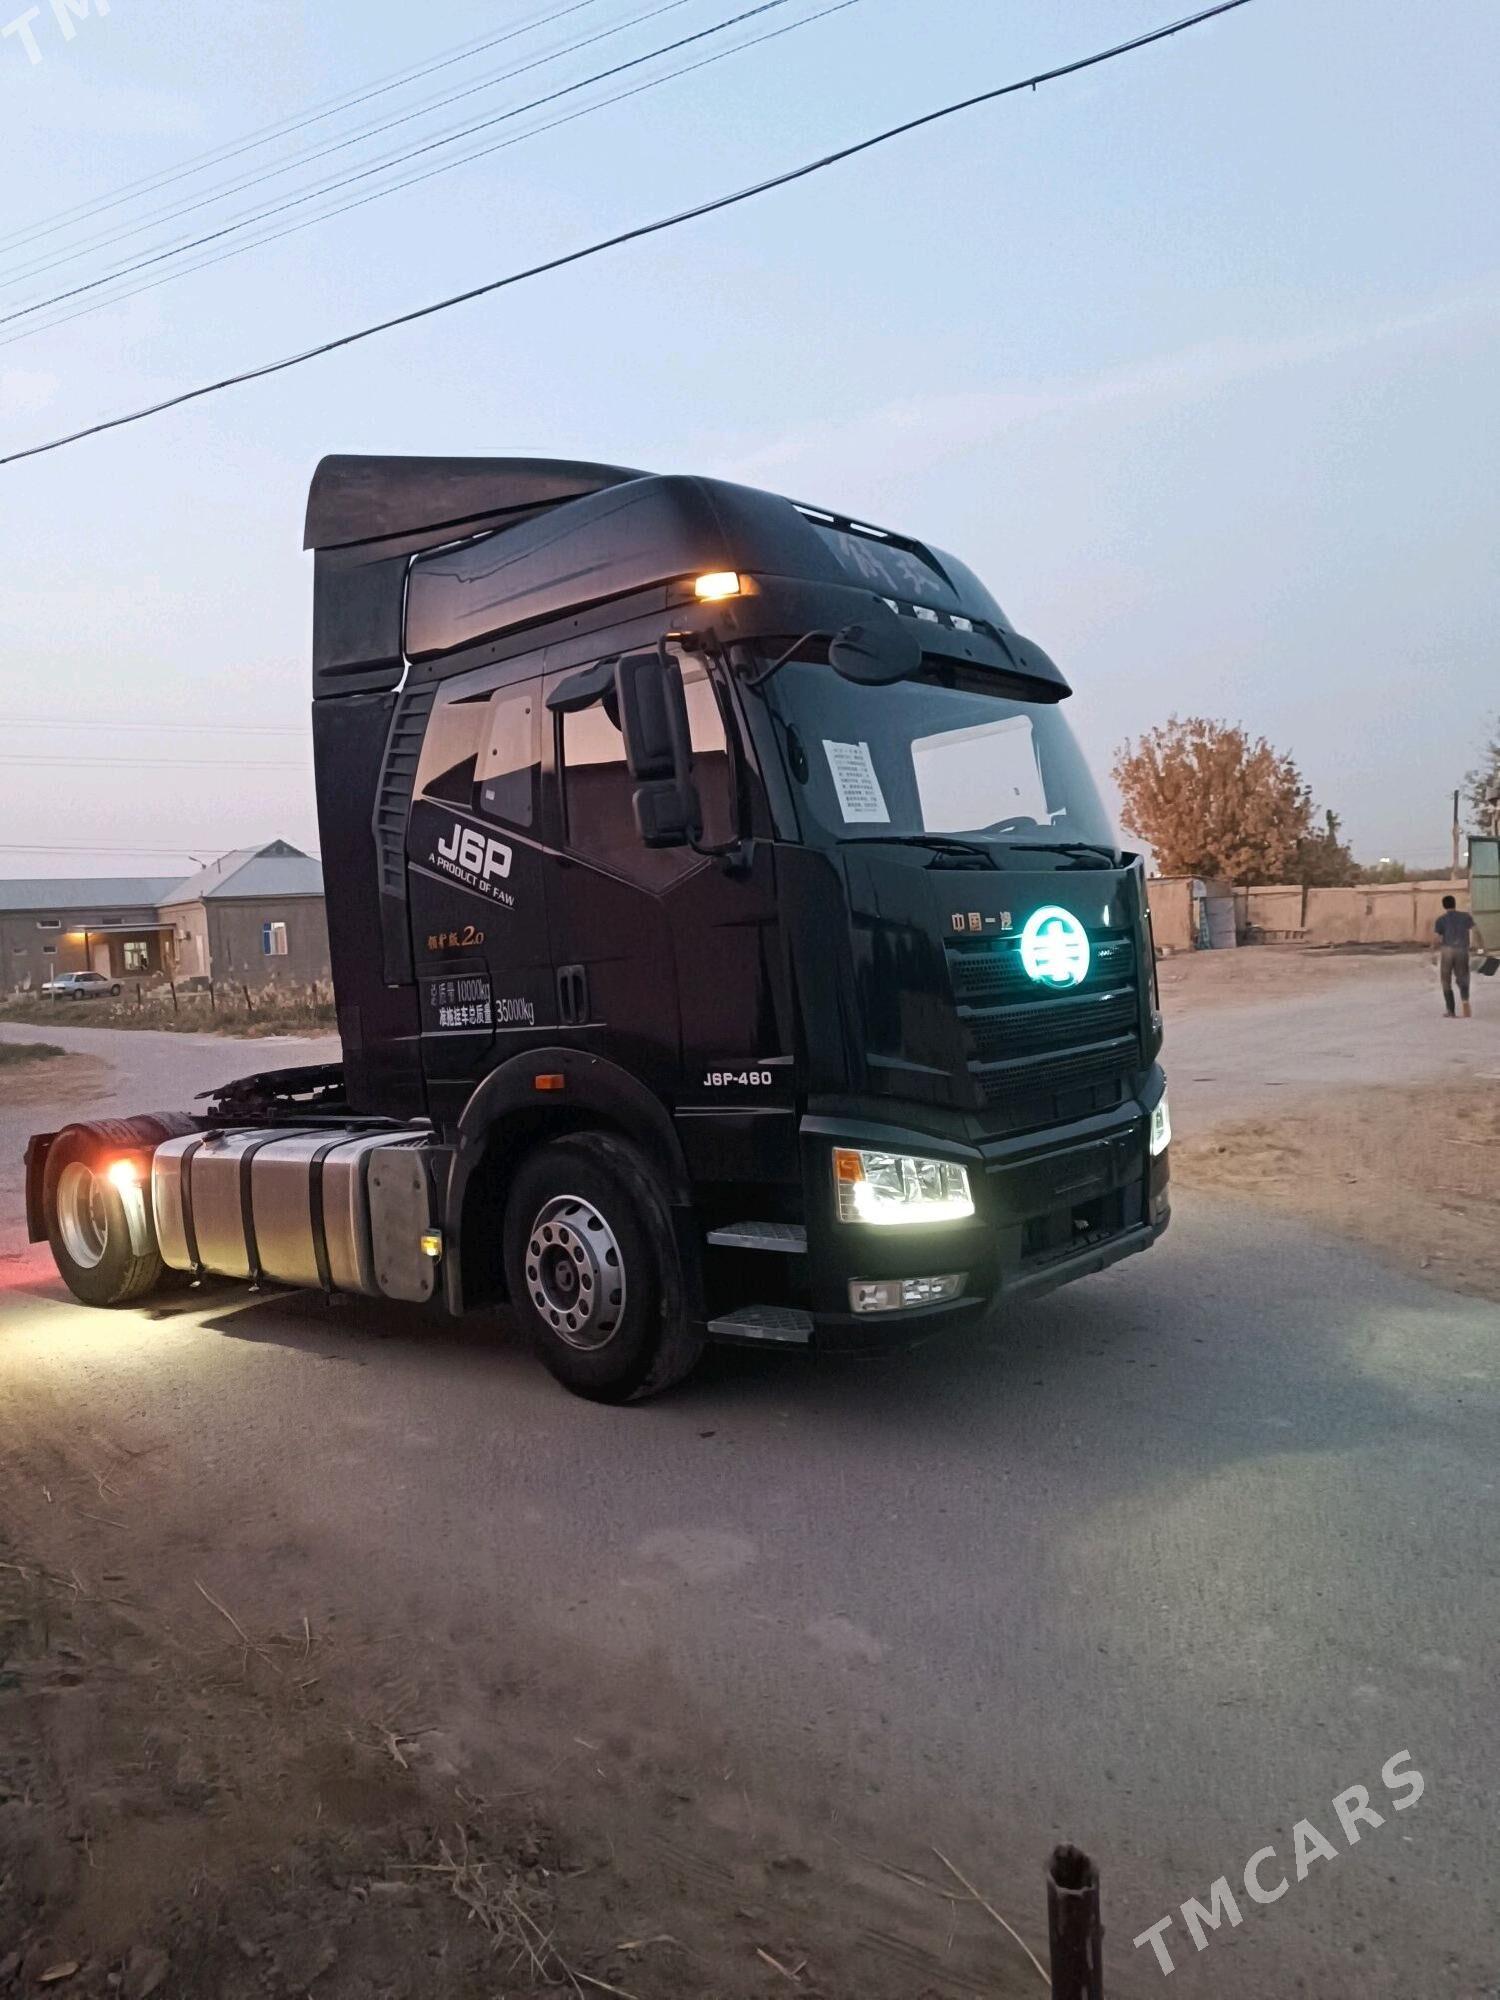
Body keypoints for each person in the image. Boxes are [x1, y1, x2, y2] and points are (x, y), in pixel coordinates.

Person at [1433, 893, 1487, 1019]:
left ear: (1444, 906)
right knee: (1463, 977)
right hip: (1462, 950)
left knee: (1446, 980)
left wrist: (1432, 950)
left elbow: (1437, 938)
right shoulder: (1465, 917)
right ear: (1454, 904)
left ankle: (1450, 1010)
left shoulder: (1440, 920)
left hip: (1447, 950)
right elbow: (1476, 930)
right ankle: (1465, 1002)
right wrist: (1481, 946)